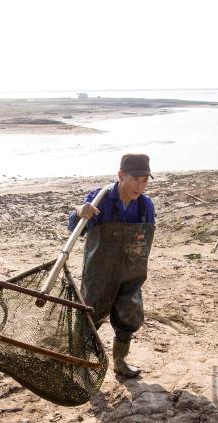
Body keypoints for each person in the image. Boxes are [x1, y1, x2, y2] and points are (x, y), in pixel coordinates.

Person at [67, 154, 156, 378]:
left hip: (132, 272)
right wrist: (79, 212)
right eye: (136, 179)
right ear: (121, 175)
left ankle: (120, 362)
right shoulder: (101, 198)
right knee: (90, 315)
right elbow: (75, 229)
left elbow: (146, 238)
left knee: (129, 316)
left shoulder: (145, 206)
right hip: (99, 270)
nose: (140, 186)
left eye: (145, 180)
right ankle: (81, 362)